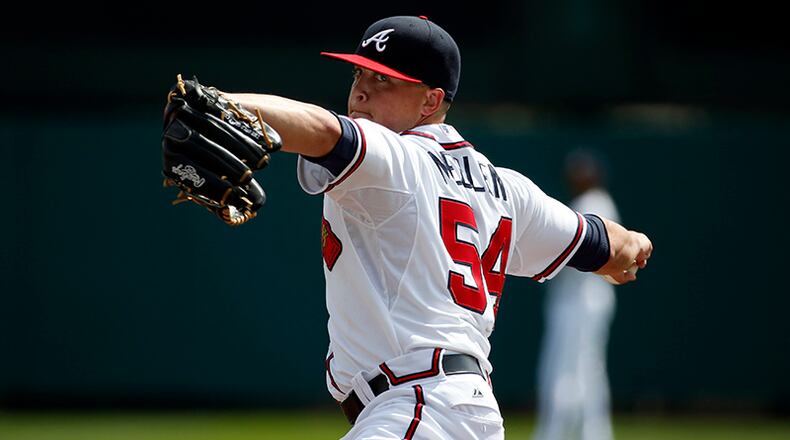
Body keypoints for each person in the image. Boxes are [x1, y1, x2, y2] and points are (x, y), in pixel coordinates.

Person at [223, 16, 652, 440]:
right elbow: (611, 245)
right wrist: (634, 245)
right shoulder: (506, 189)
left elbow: (322, 130)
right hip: (456, 410)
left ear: (430, 102)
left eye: (383, 79)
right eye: (359, 72)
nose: (360, 89)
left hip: (417, 408)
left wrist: (219, 104)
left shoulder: (397, 159)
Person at [533, 149, 621, 440]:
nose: (577, 177)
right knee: (586, 371)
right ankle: (592, 433)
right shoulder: (587, 202)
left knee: (565, 372)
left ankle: (555, 433)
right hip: (579, 300)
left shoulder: (594, 203)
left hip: (582, 301)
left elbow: (583, 257)